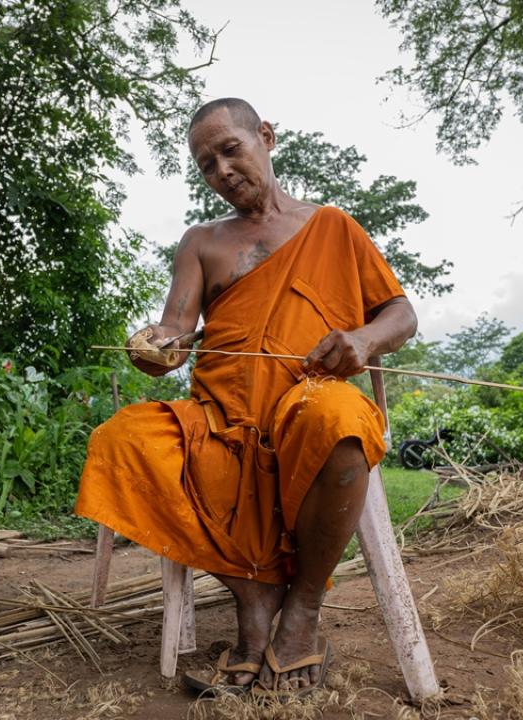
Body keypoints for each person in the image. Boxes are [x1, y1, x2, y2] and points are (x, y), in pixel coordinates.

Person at [75, 98, 418, 696]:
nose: (222, 171)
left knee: (337, 418)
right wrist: (152, 347)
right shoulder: (202, 242)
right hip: (219, 417)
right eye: (207, 164)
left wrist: (363, 339)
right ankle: (254, 595)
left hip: (305, 403)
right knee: (121, 438)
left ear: (266, 136)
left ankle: (303, 610)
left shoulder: (333, 227)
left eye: (230, 149)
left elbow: (402, 313)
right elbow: (175, 334)